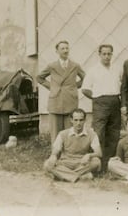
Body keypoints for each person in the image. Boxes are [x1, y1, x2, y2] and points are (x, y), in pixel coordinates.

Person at [82, 44, 122, 172]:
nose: (107, 56)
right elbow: (85, 89)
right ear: (99, 54)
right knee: (99, 133)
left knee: (114, 133)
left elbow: (121, 86)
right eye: (104, 54)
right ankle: (97, 164)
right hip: (100, 102)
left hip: (115, 101)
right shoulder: (93, 70)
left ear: (112, 54)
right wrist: (96, 98)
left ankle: (109, 164)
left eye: (109, 54)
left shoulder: (117, 69)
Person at [37, 40, 85, 144]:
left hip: (70, 100)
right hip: (55, 101)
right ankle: (55, 155)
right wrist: (52, 87)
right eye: (62, 48)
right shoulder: (52, 66)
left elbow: (85, 78)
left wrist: (74, 86)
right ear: (57, 51)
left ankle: (69, 154)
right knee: (55, 132)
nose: (65, 51)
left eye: (67, 48)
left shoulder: (75, 65)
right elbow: (39, 78)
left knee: (70, 131)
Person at [43, 108, 102, 182]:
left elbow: (99, 153)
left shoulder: (91, 134)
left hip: (82, 163)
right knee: (47, 164)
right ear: (71, 120)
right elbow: (56, 150)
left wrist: (89, 155)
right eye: (76, 120)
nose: (78, 123)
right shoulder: (63, 134)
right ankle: (79, 177)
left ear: (84, 120)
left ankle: (64, 176)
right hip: (66, 162)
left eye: (81, 120)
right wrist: (53, 156)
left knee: (96, 162)